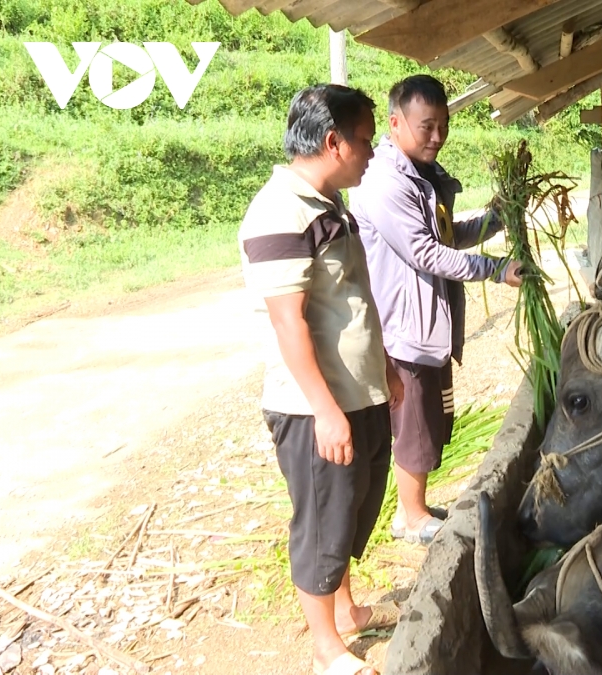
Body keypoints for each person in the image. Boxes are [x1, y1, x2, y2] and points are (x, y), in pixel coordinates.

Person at [238, 83, 402, 675]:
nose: (371, 152)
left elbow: (352, 302)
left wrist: (382, 370)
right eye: (365, 141)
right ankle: (325, 647)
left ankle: (349, 609)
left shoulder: (329, 205)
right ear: (333, 142)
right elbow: (290, 325)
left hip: (357, 392)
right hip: (316, 407)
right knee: (322, 522)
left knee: (353, 508)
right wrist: (326, 410)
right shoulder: (279, 213)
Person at [348, 74, 522, 546]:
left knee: (429, 418)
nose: (437, 136)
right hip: (405, 324)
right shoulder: (384, 180)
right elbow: (425, 253)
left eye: (443, 126)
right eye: (427, 126)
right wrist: (496, 269)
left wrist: (496, 218)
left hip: (428, 321)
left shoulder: (420, 175)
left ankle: (413, 508)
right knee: (414, 424)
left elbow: (447, 237)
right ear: (395, 123)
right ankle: (411, 516)